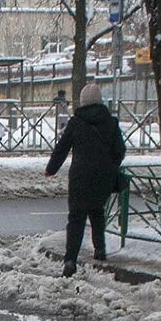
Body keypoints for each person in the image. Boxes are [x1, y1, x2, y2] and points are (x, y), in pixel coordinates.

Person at [46, 83, 126, 276]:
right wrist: (110, 165)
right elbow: (120, 150)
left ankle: (70, 261)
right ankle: (100, 249)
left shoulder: (76, 122)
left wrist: (51, 169)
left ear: (82, 102)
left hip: (80, 176)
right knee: (97, 211)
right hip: (103, 177)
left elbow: (62, 148)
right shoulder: (111, 123)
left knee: (76, 217)